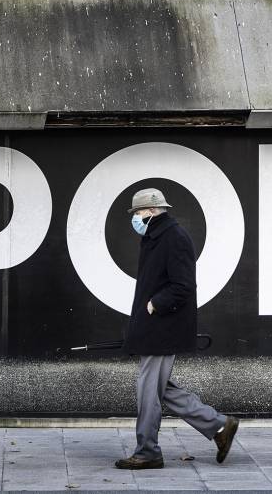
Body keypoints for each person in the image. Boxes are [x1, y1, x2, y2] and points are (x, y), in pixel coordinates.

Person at [115, 188, 239, 470]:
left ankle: (147, 452)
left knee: (148, 391)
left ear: (149, 211)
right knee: (159, 389)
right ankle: (220, 426)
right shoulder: (156, 237)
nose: (134, 217)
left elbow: (183, 285)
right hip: (155, 328)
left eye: (136, 212)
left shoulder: (173, 237)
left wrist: (155, 305)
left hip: (162, 328)